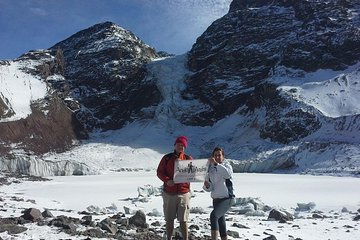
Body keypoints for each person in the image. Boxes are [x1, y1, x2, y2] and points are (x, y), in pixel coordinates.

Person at [157, 136, 193, 240]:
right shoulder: (167, 158)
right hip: (169, 193)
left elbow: (194, 173)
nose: (180, 146)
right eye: (179, 144)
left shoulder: (188, 158)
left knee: (184, 219)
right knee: (169, 219)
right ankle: (169, 238)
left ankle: (185, 238)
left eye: (182, 145)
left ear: (185, 147)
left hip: (183, 192)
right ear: (175, 145)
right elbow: (159, 172)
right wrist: (167, 180)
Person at [203, 147, 235, 240]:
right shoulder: (211, 169)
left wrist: (216, 164)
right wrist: (207, 185)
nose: (217, 157)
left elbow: (227, 174)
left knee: (214, 216)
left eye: (219, 155)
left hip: (227, 198)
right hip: (216, 199)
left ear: (223, 157)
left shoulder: (227, 166)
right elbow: (211, 187)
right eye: (215, 155)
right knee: (221, 221)